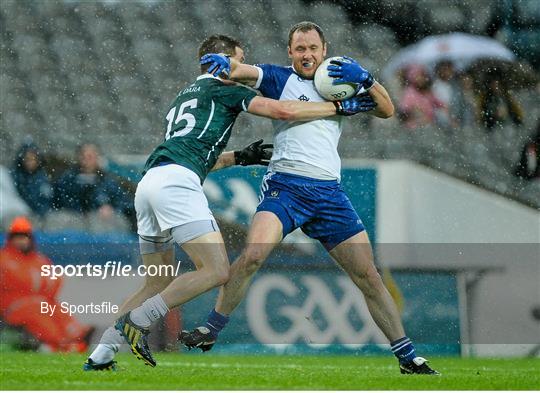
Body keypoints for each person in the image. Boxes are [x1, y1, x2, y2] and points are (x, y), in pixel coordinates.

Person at [83, 34, 373, 371]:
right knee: (218, 271)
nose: (241, 68)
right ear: (223, 62)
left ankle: (101, 353)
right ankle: (139, 320)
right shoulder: (225, 88)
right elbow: (282, 110)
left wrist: (239, 157)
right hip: (177, 185)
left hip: (149, 184)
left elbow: (195, 153)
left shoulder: (185, 94)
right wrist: (338, 107)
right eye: (238, 61)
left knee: (155, 281)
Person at [179, 22, 439, 375]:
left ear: (323, 48)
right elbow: (242, 70)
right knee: (253, 254)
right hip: (285, 187)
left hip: (328, 193)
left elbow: (387, 110)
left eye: (312, 48)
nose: (307, 54)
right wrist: (225, 64)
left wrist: (367, 79)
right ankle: (211, 329)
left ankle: (408, 357)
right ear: (290, 52)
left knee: (368, 276)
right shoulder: (277, 77)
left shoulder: (339, 80)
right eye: (300, 48)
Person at [0, 216, 93, 352]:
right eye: (17, 237)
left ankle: (78, 336)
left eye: (24, 236)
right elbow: (20, 284)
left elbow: (55, 281)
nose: (21, 241)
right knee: (38, 311)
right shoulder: (4, 258)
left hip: (38, 301)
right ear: (11, 239)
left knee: (56, 309)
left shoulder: (39, 260)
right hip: (11, 307)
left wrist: (40, 292)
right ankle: (60, 343)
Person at [53, 143, 135, 229]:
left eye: (90, 156)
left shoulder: (108, 180)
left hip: (101, 225)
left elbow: (124, 201)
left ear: (97, 157)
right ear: (79, 157)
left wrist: (111, 208)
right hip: (73, 222)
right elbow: (56, 201)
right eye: (84, 156)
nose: (87, 160)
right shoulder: (67, 179)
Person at [397, 64, 447, 130]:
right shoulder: (409, 92)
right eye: (418, 76)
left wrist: (445, 110)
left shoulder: (428, 91)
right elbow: (404, 110)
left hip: (431, 125)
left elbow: (440, 104)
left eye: (423, 76)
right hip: (416, 128)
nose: (421, 79)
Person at [11, 142, 53, 218]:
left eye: (33, 159)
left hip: (39, 219)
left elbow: (46, 202)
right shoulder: (14, 177)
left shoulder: (43, 179)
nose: (30, 162)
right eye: (27, 159)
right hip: (18, 217)